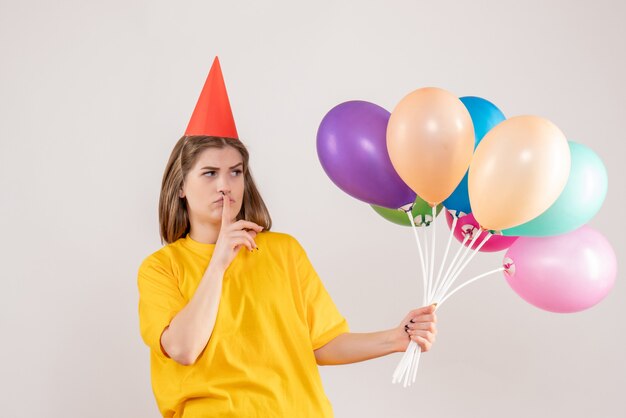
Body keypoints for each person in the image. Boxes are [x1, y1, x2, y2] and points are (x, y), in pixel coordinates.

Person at [137, 57, 437, 417]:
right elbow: (184, 349)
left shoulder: (284, 251)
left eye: (235, 172)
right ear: (181, 185)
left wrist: (395, 338)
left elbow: (321, 344)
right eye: (209, 173)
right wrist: (218, 262)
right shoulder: (161, 268)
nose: (224, 185)